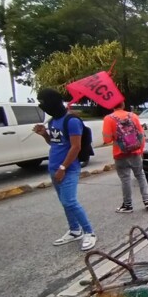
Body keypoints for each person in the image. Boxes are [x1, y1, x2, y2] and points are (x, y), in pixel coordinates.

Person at [33, 88, 96, 251]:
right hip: (54, 167)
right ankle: (75, 230)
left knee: (70, 201)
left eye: (43, 102)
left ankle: (89, 232)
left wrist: (63, 167)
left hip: (68, 169)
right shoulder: (53, 121)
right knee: (65, 203)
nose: (42, 105)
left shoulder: (72, 121)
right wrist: (44, 134)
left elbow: (76, 147)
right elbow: (54, 143)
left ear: (53, 102)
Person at [102, 101, 148, 213]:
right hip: (135, 152)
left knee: (125, 179)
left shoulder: (108, 118)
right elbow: (141, 134)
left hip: (120, 154)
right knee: (140, 175)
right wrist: (141, 150)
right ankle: (147, 200)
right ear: (123, 105)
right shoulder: (133, 116)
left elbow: (107, 139)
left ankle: (127, 205)